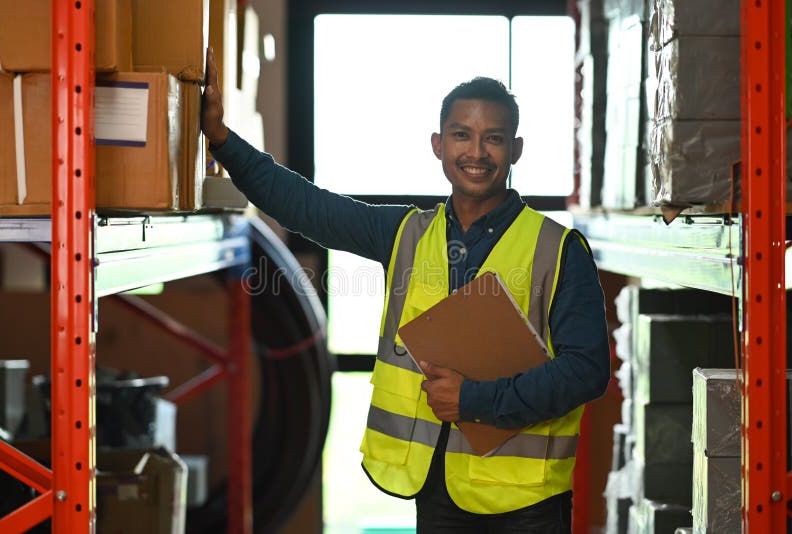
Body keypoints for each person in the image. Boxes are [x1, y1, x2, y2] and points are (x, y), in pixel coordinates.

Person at [202, 47, 609, 533]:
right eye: (462, 135)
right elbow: (307, 207)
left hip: (525, 506)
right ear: (438, 144)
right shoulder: (405, 234)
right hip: (434, 491)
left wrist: (476, 401)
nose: (476, 153)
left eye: (493, 139)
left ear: (515, 150)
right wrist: (222, 140)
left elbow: (587, 371)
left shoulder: (560, 249)